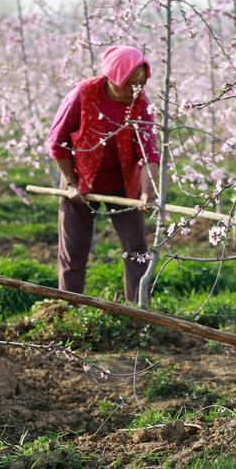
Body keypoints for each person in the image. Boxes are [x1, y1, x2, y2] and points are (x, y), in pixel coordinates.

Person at [47, 45, 160, 303]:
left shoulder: (141, 103)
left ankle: (138, 310)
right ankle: (69, 306)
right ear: (115, 77)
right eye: (130, 84)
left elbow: (149, 154)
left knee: (136, 249)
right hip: (80, 179)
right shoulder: (83, 95)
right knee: (74, 248)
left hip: (124, 183)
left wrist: (147, 193)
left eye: (141, 84)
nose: (135, 90)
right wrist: (72, 183)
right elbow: (57, 143)